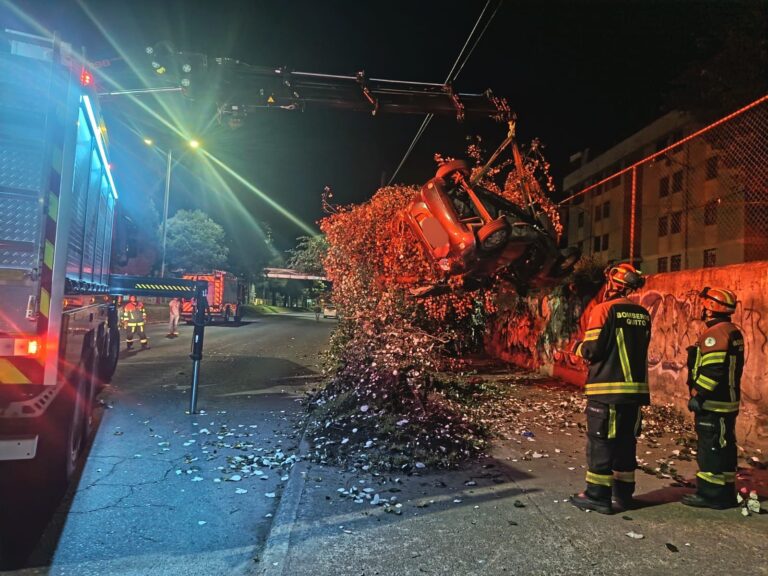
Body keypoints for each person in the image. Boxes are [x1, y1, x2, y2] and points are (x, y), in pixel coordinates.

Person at [571, 263, 651, 515]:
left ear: (614, 283)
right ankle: (624, 494)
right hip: (635, 392)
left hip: (607, 390)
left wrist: (576, 347)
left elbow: (592, 350)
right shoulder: (643, 313)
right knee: (626, 441)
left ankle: (597, 495)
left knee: (601, 442)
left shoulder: (603, 310)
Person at [681, 287, 744, 509]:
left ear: (713, 307)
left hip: (714, 403)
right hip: (728, 401)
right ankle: (725, 491)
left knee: (711, 448)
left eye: (706, 304)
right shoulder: (732, 330)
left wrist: (699, 394)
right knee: (725, 445)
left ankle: (711, 494)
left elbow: (713, 369)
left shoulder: (716, 333)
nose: (703, 308)